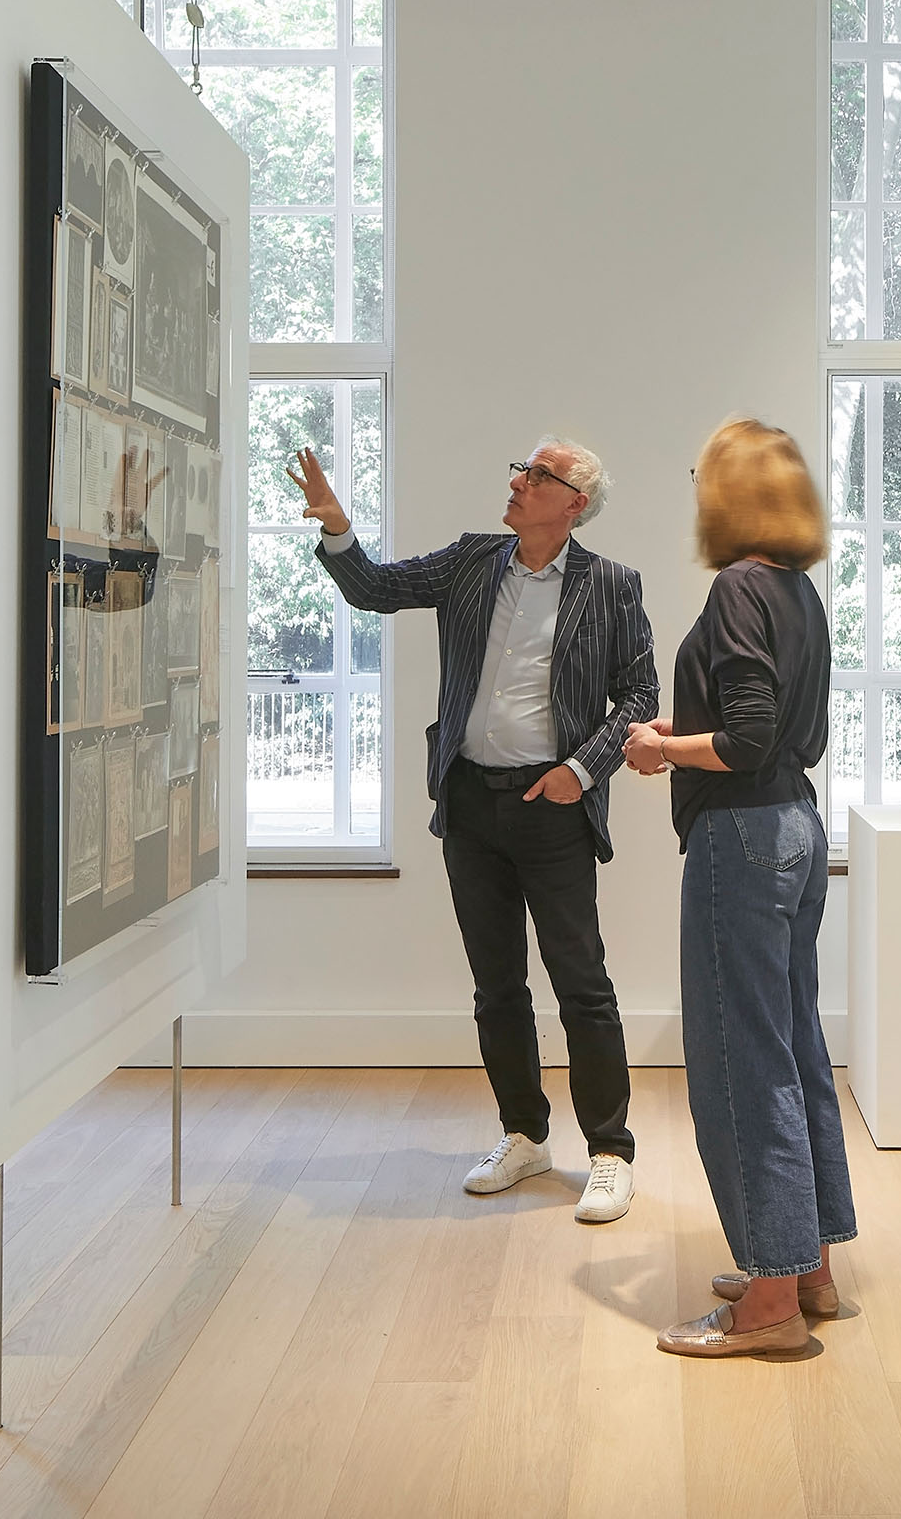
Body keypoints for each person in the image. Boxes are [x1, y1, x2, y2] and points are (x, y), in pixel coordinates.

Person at [287, 438, 655, 1224]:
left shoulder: (613, 586)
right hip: (471, 803)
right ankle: (525, 1135)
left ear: (573, 504)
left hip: (554, 808)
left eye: (540, 476)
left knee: (581, 984)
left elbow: (637, 694)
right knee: (497, 986)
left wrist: (582, 770)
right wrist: (337, 527)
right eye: (520, 469)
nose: (519, 482)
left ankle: (609, 1151)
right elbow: (376, 590)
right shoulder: (471, 560)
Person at [624, 419, 857, 1355]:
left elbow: (747, 740)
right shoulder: (798, 594)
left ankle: (764, 1304)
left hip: (745, 837)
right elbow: (788, 732)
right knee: (794, 1048)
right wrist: (686, 727)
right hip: (798, 828)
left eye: (701, 475)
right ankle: (806, 1267)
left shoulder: (735, 590)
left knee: (738, 1059)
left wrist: (658, 749)